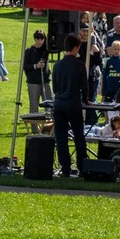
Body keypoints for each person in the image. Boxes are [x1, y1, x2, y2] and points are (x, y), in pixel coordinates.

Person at [51, 33, 89, 177]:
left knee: (61, 137)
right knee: (79, 136)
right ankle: (82, 166)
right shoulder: (79, 66)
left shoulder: (57, 65)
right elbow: (84, 87)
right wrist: (85, 99)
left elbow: (54, 87)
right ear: (76, 47)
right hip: (73, 103)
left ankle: (65, 167)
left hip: (59, 103)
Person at [23, 30, 50, 117]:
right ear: (35, 39)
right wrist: (35, 66)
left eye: (42, 39)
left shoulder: (46, 51)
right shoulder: (29, 51)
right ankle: (34, 129)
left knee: (49, 104)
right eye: (38, 39)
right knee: (34, 105)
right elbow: (25, 66)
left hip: (45, 81)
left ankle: (49, 127)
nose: (40, 41)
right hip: (33, 82)